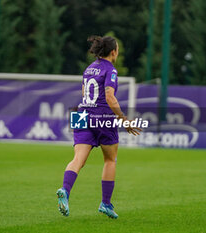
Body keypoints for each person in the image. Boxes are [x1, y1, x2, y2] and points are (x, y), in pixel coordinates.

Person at [56, 35, 142, 219]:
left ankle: (65, 189)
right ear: (113, 52)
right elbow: (110, 97)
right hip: (102, 116)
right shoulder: (110, 70)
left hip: (82, 113)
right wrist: (123, 119)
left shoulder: (89, 68)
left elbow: (83, 92)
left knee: (78, 159)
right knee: (110, 160)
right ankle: (105, 203)